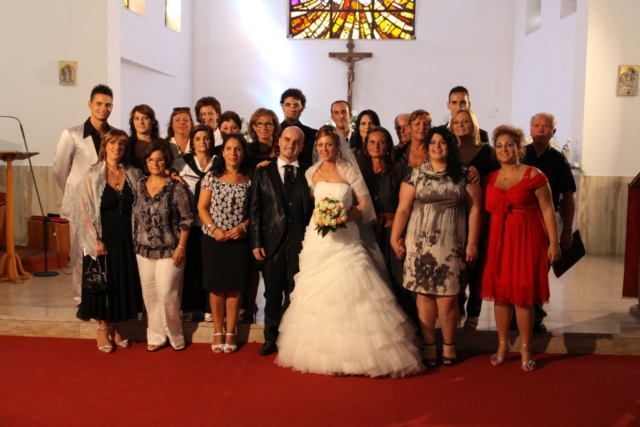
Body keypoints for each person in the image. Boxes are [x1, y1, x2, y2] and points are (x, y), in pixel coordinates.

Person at [275, 125, 423, 378]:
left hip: (346, 237)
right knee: (319, 293)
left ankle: (360, 355)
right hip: (319, 240)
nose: (324, 149)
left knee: (354, 289)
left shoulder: (348, 170)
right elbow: (308, 204)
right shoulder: (310, 173)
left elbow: (364, 206)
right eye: (320, 145)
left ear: (337, 146)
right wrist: (324, 219)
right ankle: (325, 353)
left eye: (329, 145)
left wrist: (342, 218)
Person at [391, 126, 482, 367]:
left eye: (442, 142)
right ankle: (429, 345)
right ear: (427, 146)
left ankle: (449, 344)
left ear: (450, 146)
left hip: (451, 244)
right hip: (420, 244)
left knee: (449, 298)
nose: (437, 146)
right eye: (433, 142)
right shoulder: (415, 175)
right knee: (424, 296)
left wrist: (473, 243)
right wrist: (395, 237)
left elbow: (475, 210)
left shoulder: (465, 174)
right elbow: (403, 210)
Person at [479, 125, 561, 372]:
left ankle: (526, 347)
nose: (504, 149)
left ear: (519, 148)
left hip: (527, 240)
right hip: (498, 242)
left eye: (509, 145)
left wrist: (554, 242)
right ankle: (503, 345)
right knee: (501, 296)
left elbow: (548, 209)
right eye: (499, 145)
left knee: (523, 297)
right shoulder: (489, 179)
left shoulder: (533, 174)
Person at [75, 129, 144, 353]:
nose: (117, 147)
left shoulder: (133, 173)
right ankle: (102, 328)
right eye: (113, 143)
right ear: (104, 146)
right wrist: (95, 240)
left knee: (122, 282)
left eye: (121, 144)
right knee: (104, 284)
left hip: (126, 238)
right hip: (102, 239)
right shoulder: (92, 175)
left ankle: (118, 328)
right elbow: (84, 211)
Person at [249, 126, 313, 356]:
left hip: (301, 243)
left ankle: (289, 337)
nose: (291, 145)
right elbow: (254, 209)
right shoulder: (262, 172)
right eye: (287, 139)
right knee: (272, 293)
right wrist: (256, 242)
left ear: (302, 147)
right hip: (271, 243)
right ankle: (270, 337)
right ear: (279, 141)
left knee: (295, 292)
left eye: (296, 142)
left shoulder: (309, 172)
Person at [54, 84, 113, 307]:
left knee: (105, 249)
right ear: (90, 104)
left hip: (106, 202)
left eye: (108, 105)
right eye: (99, 103)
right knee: (80, 252)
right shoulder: (72, 134)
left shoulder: (113, 135)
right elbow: (60, 170)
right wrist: (75, 195)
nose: (103, 108)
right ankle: (81, 299)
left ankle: (104, 297)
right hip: (81, 202)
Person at [132, 141, 194, 351]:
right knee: (150, 295)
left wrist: (181, 247)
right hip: (144, 249)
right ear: (146, 162)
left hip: (171, 250)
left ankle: (175, 335)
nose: (155, 163)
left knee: (167, 293)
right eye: (151, 160)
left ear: (166, 161)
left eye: (159, 159)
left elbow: (186, 219)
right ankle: (157, 336)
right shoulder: (139, 184)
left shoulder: (176, 186)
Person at [358, 126, 419, 328]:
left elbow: (409, 206)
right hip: (368, 234)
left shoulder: (401, 170)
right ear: (366, 146)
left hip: (395, 232)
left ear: (388, 146)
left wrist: (402, 234)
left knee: (399, 282)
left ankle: (411, 331)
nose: (376, 146)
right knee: (373, 284)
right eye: (372, 142)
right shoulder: (359, 172)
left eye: (382, 142)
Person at [521, 112, 576, 334]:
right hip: (520, 221)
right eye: (536, 125)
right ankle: (517, 315)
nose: (540, 130)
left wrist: (567, 231)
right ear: (530, 130)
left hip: (546, 223)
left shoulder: (558, 160)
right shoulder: (520, 154)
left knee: (538, 272)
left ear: (553, 132)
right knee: (518, 270)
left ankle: (535, 317)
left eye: (545, 126)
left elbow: (568, 198)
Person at [198, 133, 252, 353]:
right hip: (214, 240)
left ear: (243, 153)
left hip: (239, 241)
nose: (233, 153)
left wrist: (243, 227)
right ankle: (217, 331)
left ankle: (231, 331)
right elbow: (202, 207)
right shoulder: (212, 176)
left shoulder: (250, 178)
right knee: (216, 286)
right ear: (222, 152)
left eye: (237, 149)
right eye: (229, 149)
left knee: (235, 288)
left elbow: (256, 211)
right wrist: (215, 229)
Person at [451, 108, 500, 330]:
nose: (461, 125)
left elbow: (498, 179)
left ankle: (474, 312)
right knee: (457, 265)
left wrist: (483, 176)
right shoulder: (449, 151)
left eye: (465, 122)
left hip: (481, 214)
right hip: (454, 215)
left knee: (476, 265)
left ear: (474, 125)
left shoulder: (487, 151)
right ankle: (458, 308)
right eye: (457, 122)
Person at [172, 125, 218, 323]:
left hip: (212, 223)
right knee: (190, 267)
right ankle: (190, 307)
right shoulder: (181, 163)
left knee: (209, 266)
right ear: (192, 142)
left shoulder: (219, 163)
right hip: (189, 224)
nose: (202, 142)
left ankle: (208, 308)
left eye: (206, 138)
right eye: (198, 138)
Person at [279, 88, 317, 165]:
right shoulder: (274, 132)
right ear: (282, 106)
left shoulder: (312, 134)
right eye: (288, 105)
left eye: (296, 105)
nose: (292, 109)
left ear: (302, 108)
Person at [128, 104, 161, 174]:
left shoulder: (162, 145)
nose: (141, 122)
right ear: (132, 122)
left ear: (152, 121)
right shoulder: (126, 144)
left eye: (145, 118)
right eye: (137, 118)